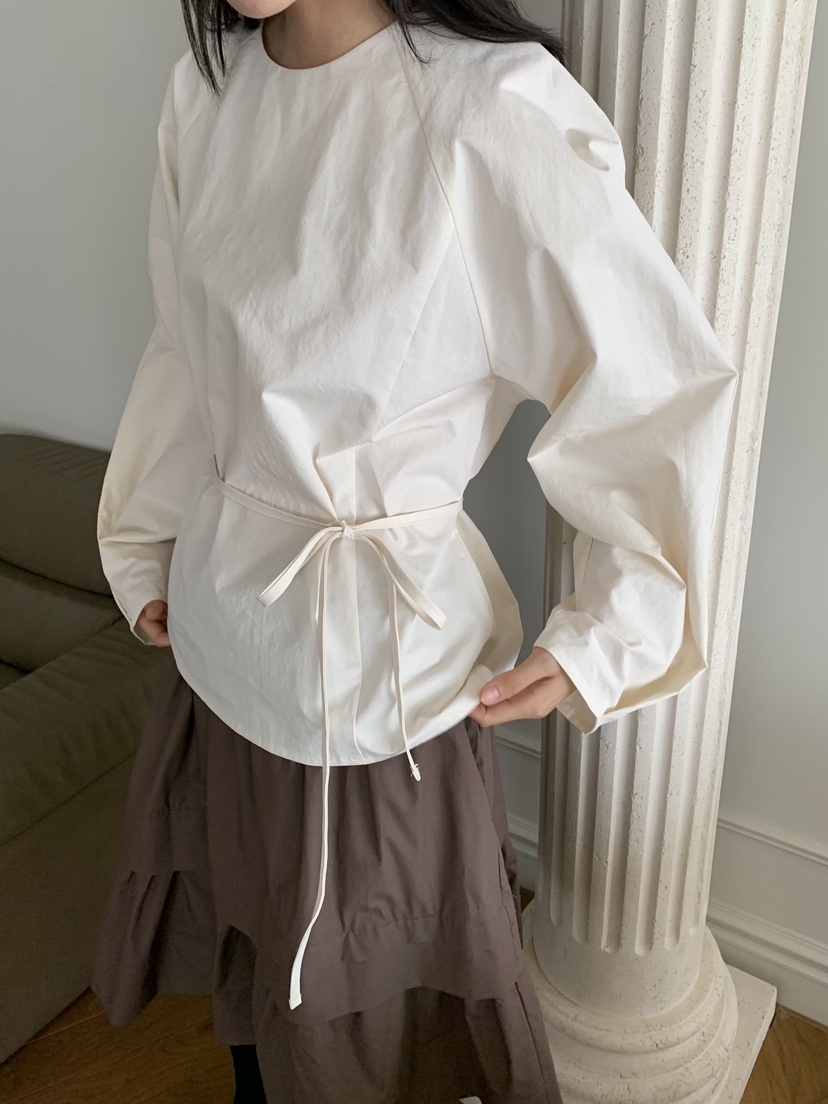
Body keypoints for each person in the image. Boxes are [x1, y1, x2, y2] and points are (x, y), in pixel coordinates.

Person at [89, 0, 739, 1100]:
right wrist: (149, 541)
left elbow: (649, 383)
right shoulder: (208, 92)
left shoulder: (486, 107)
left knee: (364, 1037)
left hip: (382, 690)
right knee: (256, 986)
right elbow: (185, 351)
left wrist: (610, 628)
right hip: (224, 645)